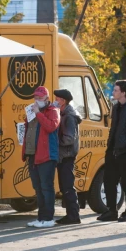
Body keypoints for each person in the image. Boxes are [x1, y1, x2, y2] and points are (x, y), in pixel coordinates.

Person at [98, 80, 126, 222]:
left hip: (124, 152)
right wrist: (109, 147)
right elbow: (114, 129)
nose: (113, 92)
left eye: (116, 90)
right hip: (112, 150)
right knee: (109, 180)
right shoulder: (115, 108)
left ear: (123, 92)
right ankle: (112, 210)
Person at [22, 86, 60, 228]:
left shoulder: (53, 111)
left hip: (47, 155)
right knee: (37, 188)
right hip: (33, 155)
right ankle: (41, 218)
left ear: (47, 99)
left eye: (40, 98)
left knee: (46, 187)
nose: (37, 100)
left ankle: (48, 218)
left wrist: (38, 113)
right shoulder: (32, 111)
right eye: (35, 97)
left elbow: (51, 126)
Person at [53, 89, 82, 225]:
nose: (55, 101)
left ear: (63, 101)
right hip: (64, 155)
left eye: (57, 99)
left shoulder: (69, 116)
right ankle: (71, 214)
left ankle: (73, 216)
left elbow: (69, 138)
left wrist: (55, 143)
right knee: (65, 186)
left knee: (67, 186)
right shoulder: (64, 113)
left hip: (67, 155)